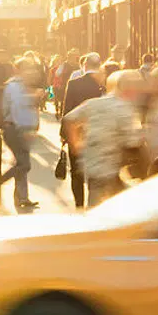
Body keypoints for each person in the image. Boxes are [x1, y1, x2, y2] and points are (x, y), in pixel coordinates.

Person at [62, 68, 144, 207]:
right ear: (130, 90)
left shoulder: (94, 103)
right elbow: (132, 142)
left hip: (92, 164)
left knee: (101, 200)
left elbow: (68, 119)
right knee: (105, 204)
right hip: (109, 168)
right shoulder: (124, 108)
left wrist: (76, 144)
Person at [58, 53, 107, 207]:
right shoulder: (102, 85)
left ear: (84, 66)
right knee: (95, 173)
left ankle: (79, 205)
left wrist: (63, 134)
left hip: (76, 134)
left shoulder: (73, 84)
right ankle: (93, 205)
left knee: (77, 172)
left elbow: (67, 110)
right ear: (99, 66)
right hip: (97, 133)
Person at [0, 58, 41, 213]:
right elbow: (16, 109)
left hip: (21, 129)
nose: (32, 72)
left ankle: (22, 197)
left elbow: (31, 107)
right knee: (24, 165)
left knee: (20, 164)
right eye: (28, 68)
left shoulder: (25, 86)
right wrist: (23, 128)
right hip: (15, 129)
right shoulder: (14, 86)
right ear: (19, 70)